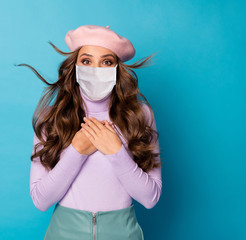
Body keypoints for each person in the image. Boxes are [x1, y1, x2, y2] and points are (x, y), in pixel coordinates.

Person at [17, 25, 162, 240]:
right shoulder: (51, 119)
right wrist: (77, 151)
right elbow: (41, 200)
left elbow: (151, 197)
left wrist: (116, 151)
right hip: (64, 233)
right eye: (86, 61)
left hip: (123, 233)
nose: (96, 69)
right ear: (74, 66)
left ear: (117, 69)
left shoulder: (140, 116)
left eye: (106, 62)